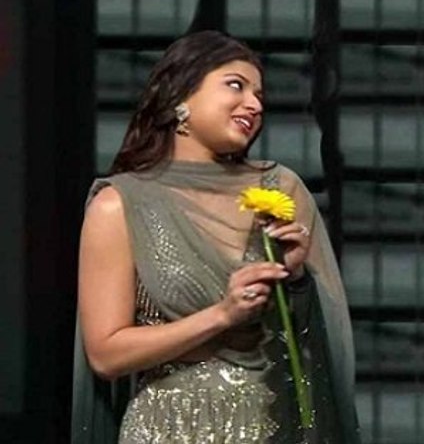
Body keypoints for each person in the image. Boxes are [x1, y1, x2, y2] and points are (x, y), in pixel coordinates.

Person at [72, 30, 360, 443]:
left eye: (259, 95)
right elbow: (106, 355)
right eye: (236, 85)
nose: (255, 105)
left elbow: (320, 347)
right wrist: (222, 315)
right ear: (179, 97)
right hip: (167, 429)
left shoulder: (280, 189)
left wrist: (296, 282)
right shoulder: (118, 205)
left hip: (269, 424)